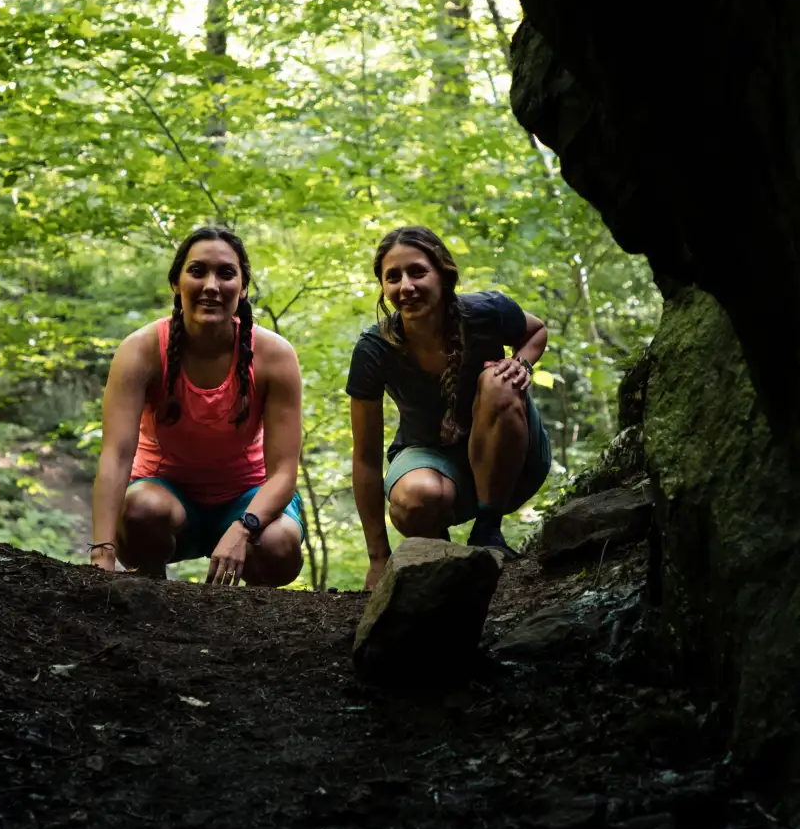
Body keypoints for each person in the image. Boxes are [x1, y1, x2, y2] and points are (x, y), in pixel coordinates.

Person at [88, 227, 305, 586]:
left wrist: (243, 528)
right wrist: (102, 551)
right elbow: (115, 455)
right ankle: (150, 596)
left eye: (226, 273)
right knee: (141, 510)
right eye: (197, 271)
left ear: (244, 287)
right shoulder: (141, 350)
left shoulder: (274, 356)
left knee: (279, 543)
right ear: (176, 283)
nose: (211, 286)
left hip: (246, 496)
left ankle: (246, 625)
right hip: (164, 497)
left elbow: (283, 472)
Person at [345, 225, 552, 589]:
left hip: (512, 455)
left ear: (443, 274)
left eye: (417, 272)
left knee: (499, 381)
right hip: (430, 458)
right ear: (383, 287)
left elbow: (536, 331)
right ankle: (441, 559)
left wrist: (522, 364)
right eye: (393, 278)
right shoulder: (374, 349)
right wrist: (378, 558)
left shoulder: (486, 312)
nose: (405, 286)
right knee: (415, 499)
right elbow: (364, 458)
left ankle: (489, 533)